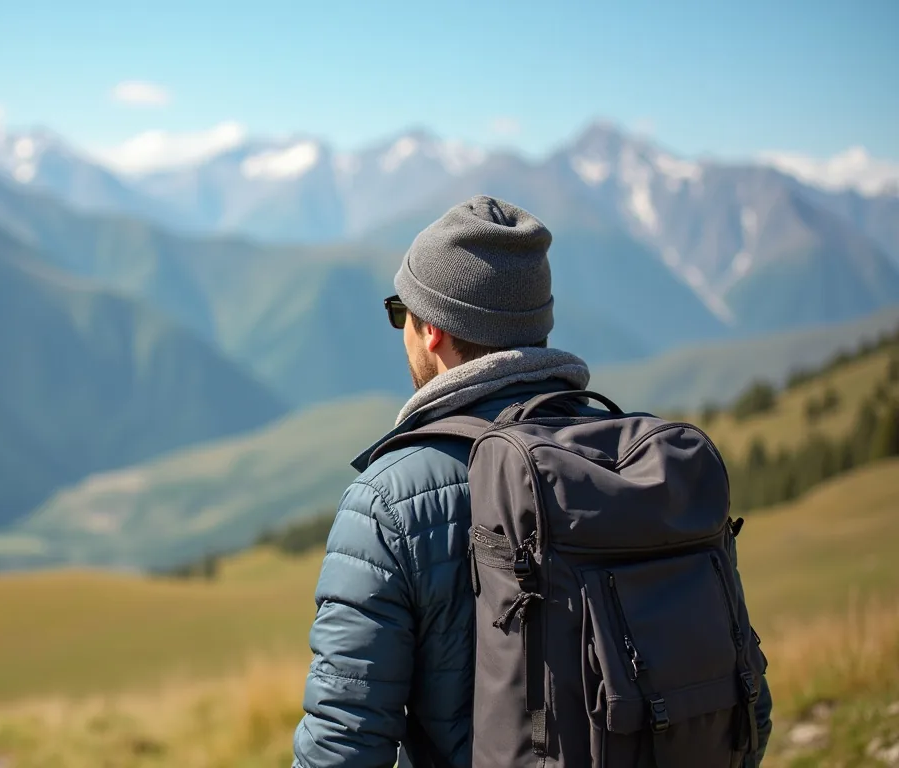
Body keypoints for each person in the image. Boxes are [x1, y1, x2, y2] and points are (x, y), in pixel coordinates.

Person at [291, 195, 774, 767]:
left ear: (433, 329)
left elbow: (343, 742)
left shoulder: (388, 501)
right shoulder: (634, 462)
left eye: (402, 313)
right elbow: (746, 706)